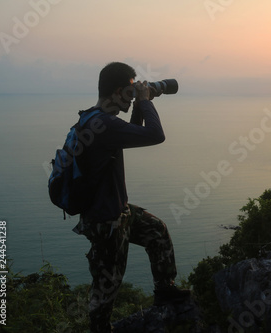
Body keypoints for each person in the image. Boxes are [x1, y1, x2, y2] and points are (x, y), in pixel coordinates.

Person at [72, 62, 189, 333]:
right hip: (105, 220)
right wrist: (146, 101)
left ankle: (165, 290)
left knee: (157, 231)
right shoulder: (103, 124)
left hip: (117, 211)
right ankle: (100, 328)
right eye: (129, 91)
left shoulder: (94, 118)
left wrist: (139, 104)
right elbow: (155, 135)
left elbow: (132, 134)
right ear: (117, 91)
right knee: (108, 281)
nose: (133, 95)